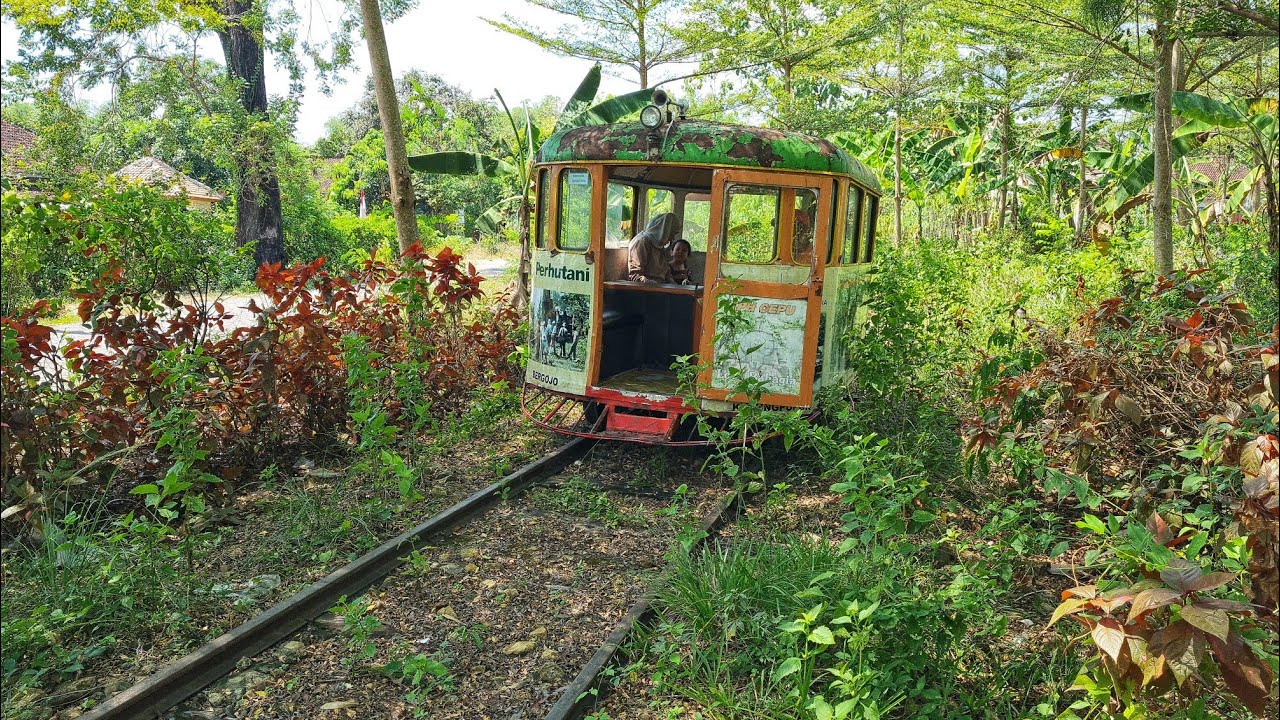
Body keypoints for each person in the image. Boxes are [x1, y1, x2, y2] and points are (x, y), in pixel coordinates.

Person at [628, 213, 681, 283]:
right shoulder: (642, 242)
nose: (673, 238)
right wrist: (651, 284)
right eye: (671, 234)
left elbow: (666, 273)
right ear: (664, 231)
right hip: (645, 290)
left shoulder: (659, 246)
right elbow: (635, 274)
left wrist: (674, 285)